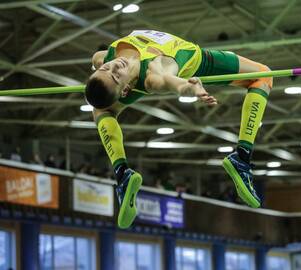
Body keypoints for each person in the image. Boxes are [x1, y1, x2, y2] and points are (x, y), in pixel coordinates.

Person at [85, 30, 273, 229]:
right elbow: (170, 81)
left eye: (107, 68)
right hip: (198, 61)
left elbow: (98, 61)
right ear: (125, 91)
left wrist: (103, 70)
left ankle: (122, 173)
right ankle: (242, 157)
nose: (115, 67)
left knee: (100, 108)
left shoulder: (102, 58)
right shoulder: (153, 75)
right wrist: (190, 88)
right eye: (116, 76)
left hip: (144, 71)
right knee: (263, 76)